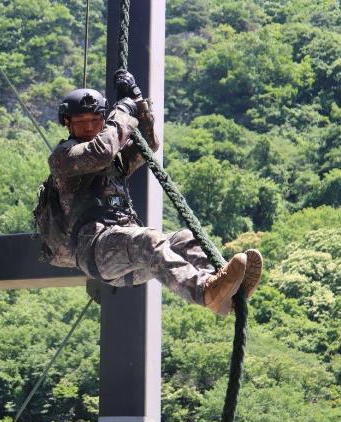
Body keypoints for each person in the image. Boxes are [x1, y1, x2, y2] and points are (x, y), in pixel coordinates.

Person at [44, 70, 262, 315]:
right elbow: (101, 152)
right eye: (81, 122)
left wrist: (137, 101)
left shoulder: (114, 161)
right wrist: (123, 112)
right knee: (148, 240)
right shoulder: (64, 158)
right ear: (68, 124)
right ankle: (205, 291)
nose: (89, 127)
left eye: (95, 120)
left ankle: (226, 293)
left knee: (186, 239)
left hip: (126, 252)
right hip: (96, 248)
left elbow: (147, 144)